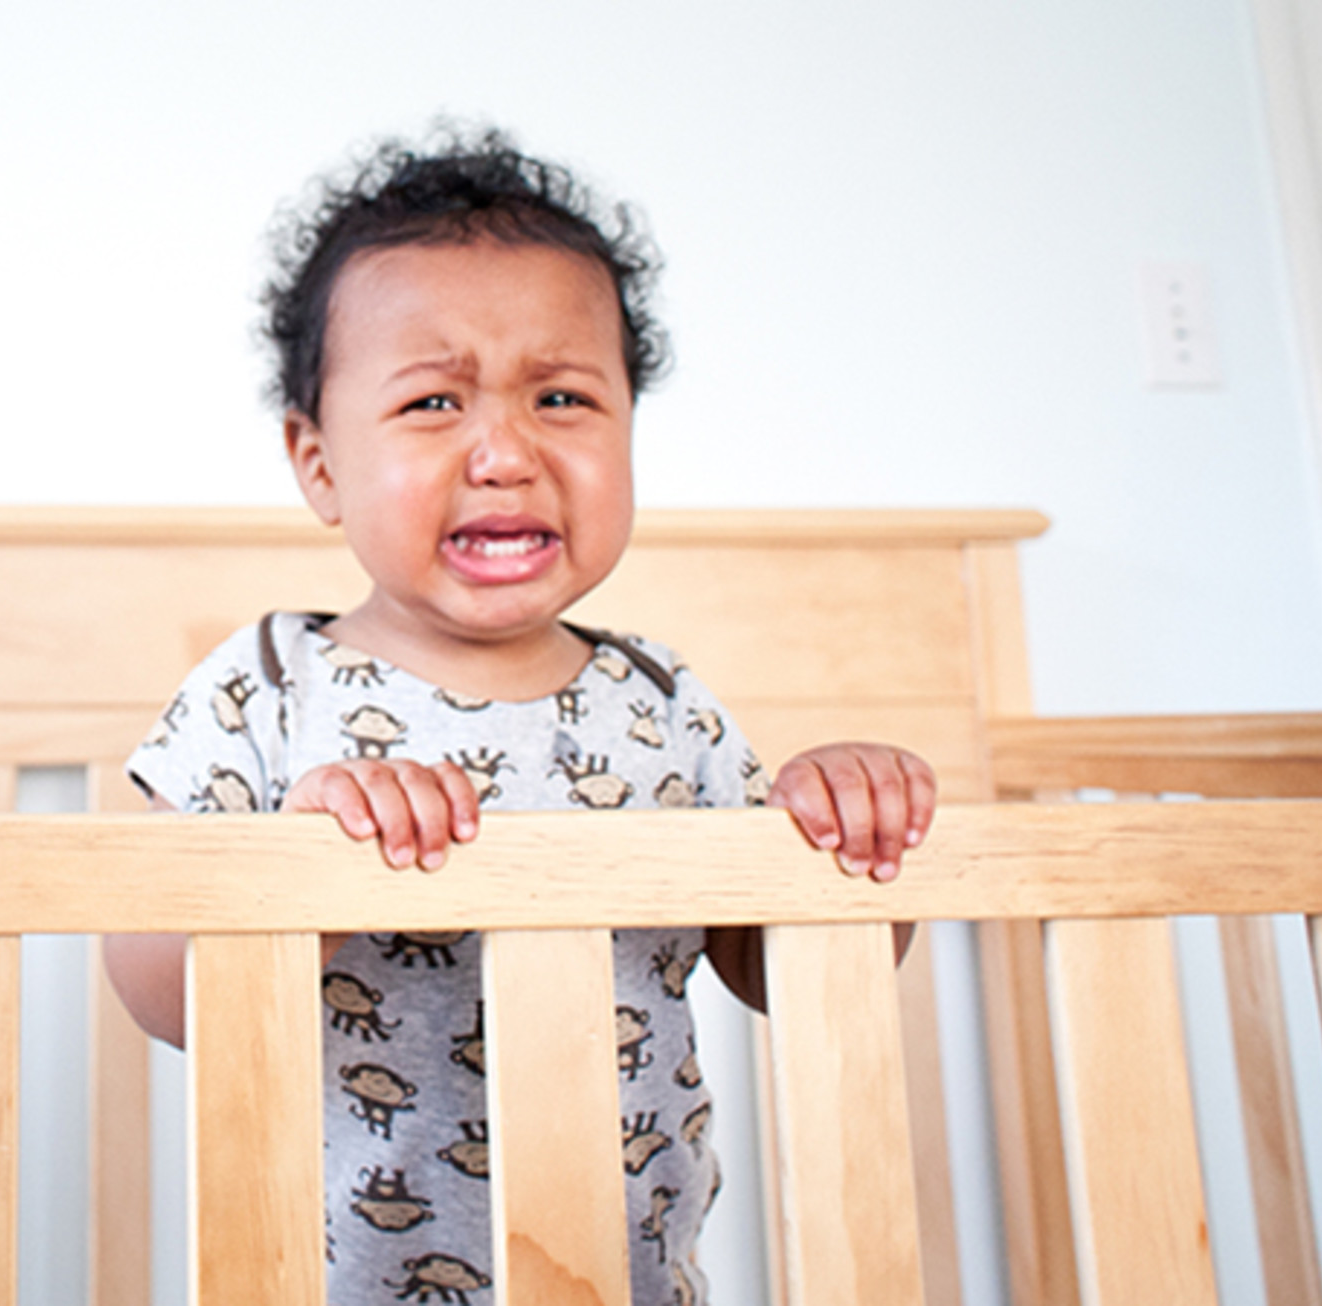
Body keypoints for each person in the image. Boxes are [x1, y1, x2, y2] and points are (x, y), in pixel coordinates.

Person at [103, 125, 934, 1306]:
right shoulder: (266, 686)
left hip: (626, 1279)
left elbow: (782, 963)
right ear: (319, 462)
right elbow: (154, 986)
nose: (504, 450)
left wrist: (841, 831)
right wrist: (293, 873)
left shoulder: (662, 702)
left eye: (562, 396)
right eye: (433, 401)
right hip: (327, 1281)